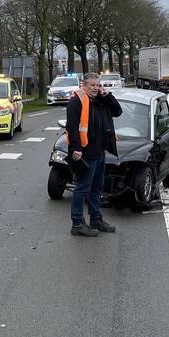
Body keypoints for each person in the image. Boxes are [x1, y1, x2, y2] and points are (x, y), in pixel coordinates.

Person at [66, 72, 123, 237]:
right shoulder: (77, 101)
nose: (95, 88)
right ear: (84, 85)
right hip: (86, 152)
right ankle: (77, 223)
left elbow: (117, 111)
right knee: (82, 188)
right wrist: (75, 148)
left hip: (100, 151)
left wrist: (108, 95)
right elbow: (72, 126)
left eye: (98, 85)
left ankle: (95, 219)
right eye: (92, 85)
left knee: (97, 187)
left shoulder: (101, 100)